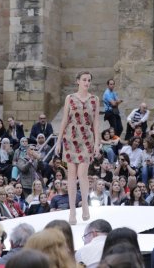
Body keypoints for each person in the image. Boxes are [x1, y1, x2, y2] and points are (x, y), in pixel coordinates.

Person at [55, 71, 100, 225]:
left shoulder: (94, 99)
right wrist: (58, 141)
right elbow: (64, 119)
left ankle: (85, 204)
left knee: (83, 173)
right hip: (70, 137)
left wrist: (97, 143)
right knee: (71, 176)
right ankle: (72, 210)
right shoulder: (70, 98)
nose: (87, 82)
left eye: (89, 80)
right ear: (78, 81)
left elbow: (96, 123)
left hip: (87, 138)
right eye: (84, 79)